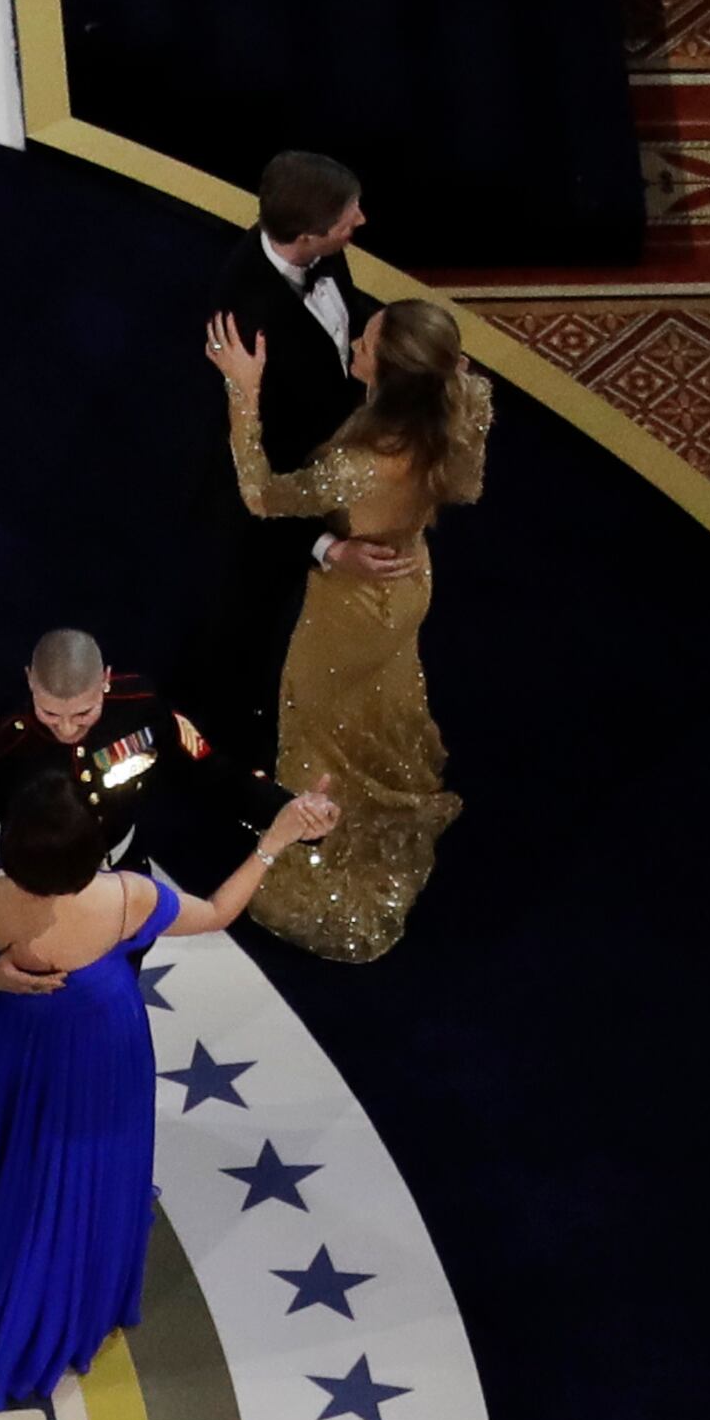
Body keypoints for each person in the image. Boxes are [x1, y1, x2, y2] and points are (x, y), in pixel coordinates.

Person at [0, 756, 338, 1407]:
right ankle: (45, 1305)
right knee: (65, 1172)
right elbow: (218, 911)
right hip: (93, 1050)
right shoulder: (129, 898)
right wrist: (274, 840)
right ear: (93, 852)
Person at [205, 296, 495, 962]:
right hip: (408, 578)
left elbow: (261, 494)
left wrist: (241, 391)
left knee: (317, 718)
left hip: (352, 609)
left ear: (390, 377)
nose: (355, 348)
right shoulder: (457, 406)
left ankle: (312, 828)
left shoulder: (366, 460)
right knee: (377, 699)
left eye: (365, 345)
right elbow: (469, 477)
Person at [182, 149, 405, 792]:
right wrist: (326, 547)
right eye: (346, 218)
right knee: (247, 637)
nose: (359, 221)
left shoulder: (321, 255)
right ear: (307, 235)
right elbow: (248, 474)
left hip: (333, 458)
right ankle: (232, 761)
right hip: (269, 509)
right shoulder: (242, 320)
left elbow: (345, 323)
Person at [0, 629, 211, 992]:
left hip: (121, 906)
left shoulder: (140, 706)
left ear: (106, 681)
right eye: (49, 712)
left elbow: (214, 772)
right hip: (28, 922)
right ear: (30, 681)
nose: (67, 729)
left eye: (83, 713)